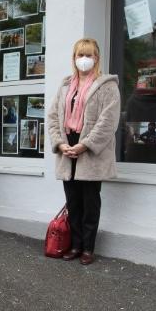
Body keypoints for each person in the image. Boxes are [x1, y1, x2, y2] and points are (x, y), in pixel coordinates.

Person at [46, 38, 121, 265]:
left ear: (97, 58)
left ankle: (88, 248)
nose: (84, 59)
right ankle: (75, 245)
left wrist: (85, 144)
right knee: (73, 202)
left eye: (88, 55)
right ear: (74, 58)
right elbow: (52, 117)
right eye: (80, 55)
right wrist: (60, 144)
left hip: (89, 150)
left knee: (90, 202)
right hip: (67, 148)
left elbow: (108, 121)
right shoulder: (66, 85)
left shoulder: (107, 86)